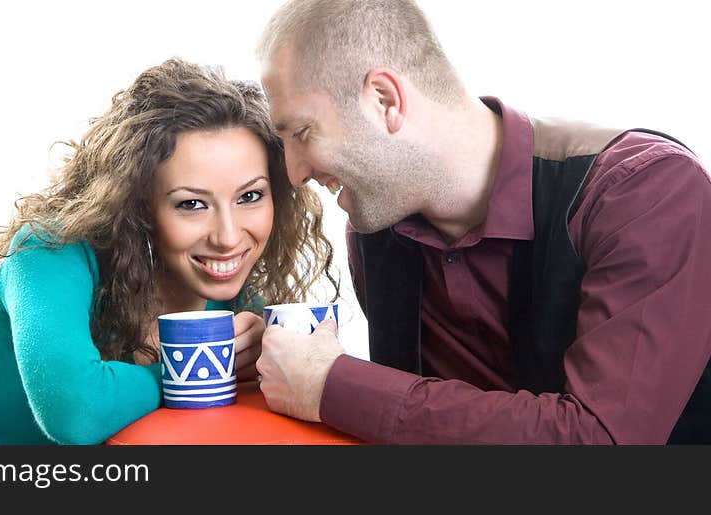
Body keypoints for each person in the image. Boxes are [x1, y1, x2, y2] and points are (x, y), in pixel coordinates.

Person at [254, 0, 711, 444]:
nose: (294, 174)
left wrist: (333, 386)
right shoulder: (375, 230)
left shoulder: (645, 190)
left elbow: (603, 441)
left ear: (385, 99)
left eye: (302, 132)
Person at [0, 57, 338, 445]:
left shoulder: (228, 298)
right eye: (191, 204)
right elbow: (76, 412)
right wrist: (200, 371)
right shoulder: (48, 251)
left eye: (249, 197)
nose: (227, 236)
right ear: (139, 207)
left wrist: (272, 363)